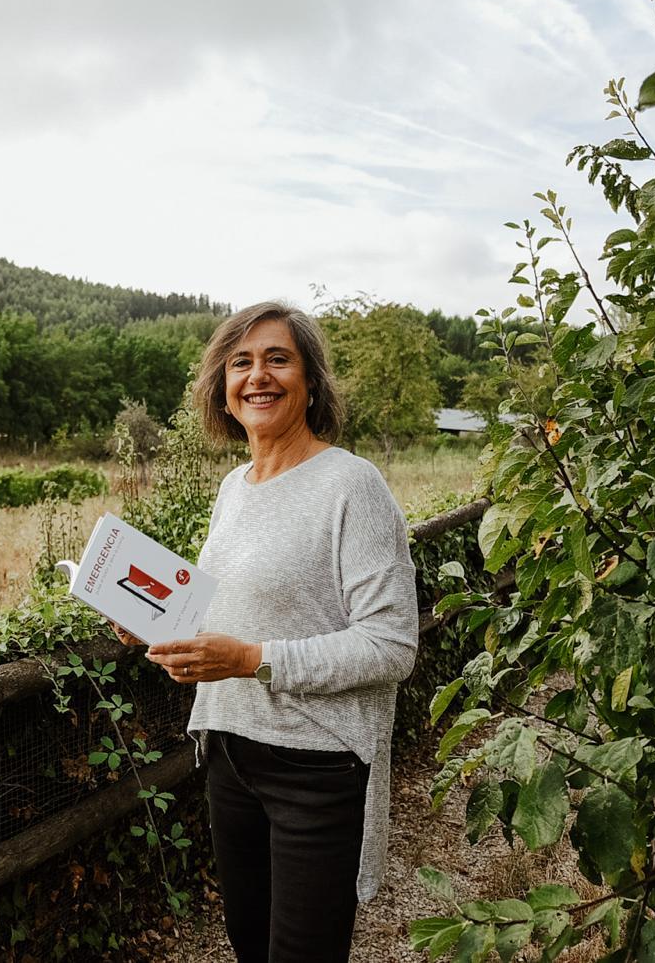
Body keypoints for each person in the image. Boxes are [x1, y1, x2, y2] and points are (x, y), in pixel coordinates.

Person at [134, 300, 419, 963]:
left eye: (277, 358)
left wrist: (250, 658)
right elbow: (228, 616)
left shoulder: (352, 484)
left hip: (315, 770)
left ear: (310, 381)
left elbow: (392, 643)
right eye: (241, 362)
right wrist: (154, 626)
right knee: (249, 946)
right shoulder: (235, 487)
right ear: (223, 388)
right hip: (229, 756)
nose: (257, 375)